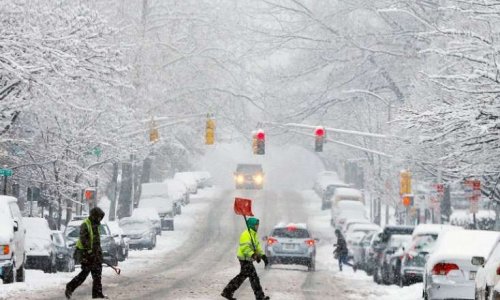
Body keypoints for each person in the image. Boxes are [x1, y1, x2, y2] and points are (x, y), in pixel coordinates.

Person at [221, 217, 270, 300]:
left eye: (258, 225)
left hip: (248, 259)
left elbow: (257, 247)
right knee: (253, 277)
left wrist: (263, 256)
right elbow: (245, 247)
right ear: (251, 225)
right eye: (256, 225)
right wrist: (253, 255)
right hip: (244, 258)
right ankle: (259, 296)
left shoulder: (253, 234)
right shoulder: (246, 234)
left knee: (243, 276)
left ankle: (227, 292)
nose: (257, 226)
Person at [65, 207, 108, 299]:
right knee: (84, 273)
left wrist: (99, 254)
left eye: (101, 217)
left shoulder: (96, 225)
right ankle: (70, 287)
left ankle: (97, 293)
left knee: (97, 274)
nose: (100, 219)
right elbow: (84, 240)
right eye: (99, 217)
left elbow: (96, 242)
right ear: (94, 216)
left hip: (95, 254)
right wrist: (89, 252)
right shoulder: (86, 224)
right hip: (85, 253)